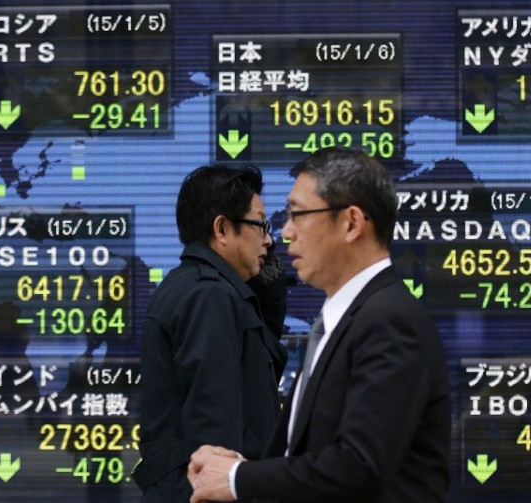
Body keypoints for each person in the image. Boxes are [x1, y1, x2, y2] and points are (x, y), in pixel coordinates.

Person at [188, 147, 451, 502]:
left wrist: (239, 478)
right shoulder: (341, 320)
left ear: (352, 223)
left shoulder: (390, 320)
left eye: (298, 214)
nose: (285, 232)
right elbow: (308, 459)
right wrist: (239, 468)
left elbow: (358, 467)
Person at [134, 164, 288, 501]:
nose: (269, 239)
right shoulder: (210, 296)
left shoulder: (204, 288)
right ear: (221, 229)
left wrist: (270, 289)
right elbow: (215, 434)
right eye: (260, 223)